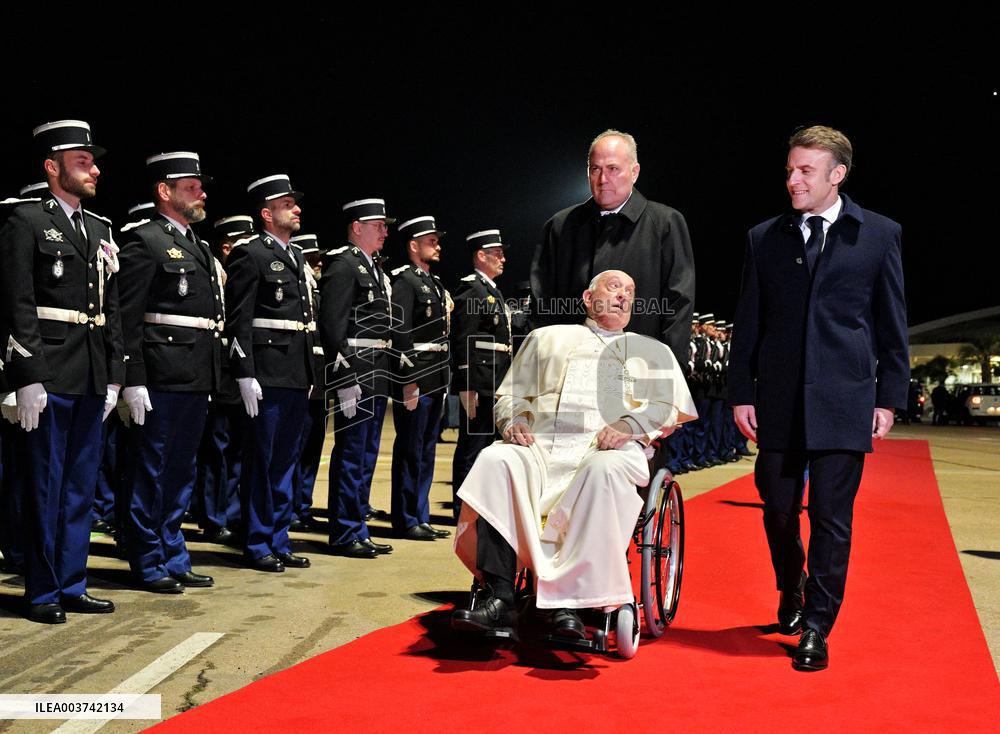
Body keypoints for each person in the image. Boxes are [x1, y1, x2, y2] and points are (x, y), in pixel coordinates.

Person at [728, 125, 909, 671]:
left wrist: (888, 397)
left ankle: (816, 625)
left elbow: (890, 322)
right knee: (778, 510)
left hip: (844, 399)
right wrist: (740, 392)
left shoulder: (878, 234)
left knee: (832, 518)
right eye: (790, 169)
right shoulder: (765, 237)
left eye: (806, 170)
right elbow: (748, 322)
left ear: (837, 175)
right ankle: (792, 586)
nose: (793, 179)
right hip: (777, 401)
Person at [451, 270, 695, 639]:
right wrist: (514, 420)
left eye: (630, 291)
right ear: (586, 297)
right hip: (542, 448)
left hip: (607, 452)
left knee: (603, 471)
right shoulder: (546, 337)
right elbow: (510, 397)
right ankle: (500, 597)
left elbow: (667, 410)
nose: (623, 296)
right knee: (496, 460)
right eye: (614, 287)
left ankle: (572, 604)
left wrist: (630, 424)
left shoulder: (652, 351)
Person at [0, 120, 123, 623]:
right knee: (44, 488)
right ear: (52, 168)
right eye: (82, 161)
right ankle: (43, 590)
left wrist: (114, 375)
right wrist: (25, 375)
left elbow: (110, 308)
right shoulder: (24, 221)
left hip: (91, 375)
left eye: (93, 162)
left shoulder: (99, 229)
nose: (94, 169)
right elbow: (16, 303)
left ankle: (73, 582)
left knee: (79, 489)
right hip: (49, 374)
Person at [117, 151, 222, 593]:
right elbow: (127, 316)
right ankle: (146, 559)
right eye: (191, 186)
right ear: (165, 191)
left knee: (180, 470)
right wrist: (132, 378)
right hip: (159, 375)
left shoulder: (197, 245)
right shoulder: (145, 241)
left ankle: (173, 552)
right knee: (150, 470)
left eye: (200, 185)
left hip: (195, 374)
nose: (201, 192)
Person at [530, 129, 695, 364]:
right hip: (568, 369)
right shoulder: (559, 227)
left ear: (635, 172)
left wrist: (668, 371)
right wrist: (543, 364)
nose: (602, 179)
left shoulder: (665, 224)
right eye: (595, 169)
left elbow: (678, 306)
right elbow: (542, 304)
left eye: (613, 169)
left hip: (639, 369)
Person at [225, 175, 314, 572]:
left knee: (285, 463)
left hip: (295, 373)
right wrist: (244, 372)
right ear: (266, 213)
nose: (296, 209)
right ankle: (258, 541)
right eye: (287, 204)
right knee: (261, 463)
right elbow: (239, 318)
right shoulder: (251, 253)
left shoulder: (295, 257)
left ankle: (279, 538)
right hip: (266, 374)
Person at [320, 198, 396, 559]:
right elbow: (333, 326)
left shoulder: (374, 269)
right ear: (357, 227)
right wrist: (345, 375)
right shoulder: (343, 265)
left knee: (366, 454)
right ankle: (344, 531)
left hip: (376, 367)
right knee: (351, 452)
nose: (384, 230)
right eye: (378, 224)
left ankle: (358, 526)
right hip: (357, 368)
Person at [388, 216, 452, 541]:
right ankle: (405, 518)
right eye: (431, 241)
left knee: (427, 450)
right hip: (417, 376)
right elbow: (399, 332)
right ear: (414, 246)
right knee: (410, 449)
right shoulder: (405, 282)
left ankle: (420, 515)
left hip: (436, 376)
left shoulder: (435, 284)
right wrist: (408, 380)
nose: (437, 245)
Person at [449, 230, 512, 519]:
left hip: (494, 380)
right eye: (496, 253)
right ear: (480, 255)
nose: (503, 258)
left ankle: (479, 505)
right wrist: (467, 385)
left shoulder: (491, 290)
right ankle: (463, 509)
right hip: (479, 382)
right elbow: (463, 339)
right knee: (471, 447)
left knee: (486, 446)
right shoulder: (471, 289)